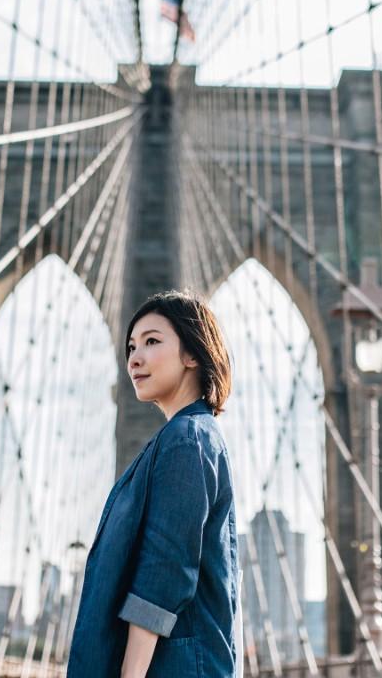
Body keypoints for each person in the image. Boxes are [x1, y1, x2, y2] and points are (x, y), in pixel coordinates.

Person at [67, 290, 240, 677]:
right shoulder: (190, 437)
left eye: (152, 341)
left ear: (192, 355)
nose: (135, 358)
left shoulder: (186, 440)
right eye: (131, 346)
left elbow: (164, 573)